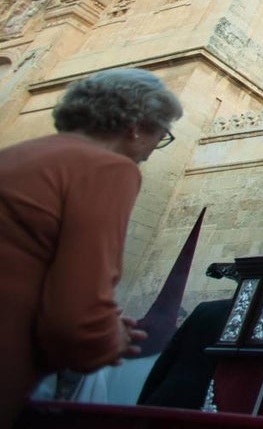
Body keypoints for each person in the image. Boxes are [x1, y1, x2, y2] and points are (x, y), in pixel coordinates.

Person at [0, 67, 182, 426]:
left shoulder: (16, 156)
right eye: (162, 136)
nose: (150, 151)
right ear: (135, 126)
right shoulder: (107, 169)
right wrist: (108, 337)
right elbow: (75, 324)